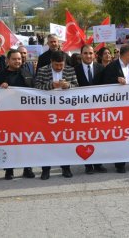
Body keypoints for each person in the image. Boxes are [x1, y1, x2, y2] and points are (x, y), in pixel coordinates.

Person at [0, 49, 37, 180]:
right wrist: (0, 90)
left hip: (25, 116)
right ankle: (9, 170)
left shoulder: (27, 74)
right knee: (9, 144)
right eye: (14, 59)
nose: (17, 61)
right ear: (7, 61)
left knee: (26, 143)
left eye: (19, 59)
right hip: (7, 117)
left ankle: (27, 168)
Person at [34, 50, 79, 179]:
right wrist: (50, 85)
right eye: (56, 65)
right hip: (47, 112)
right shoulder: (43, 70)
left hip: (65, 112)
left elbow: (77, 87)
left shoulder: (70, 70)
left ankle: (66, 168)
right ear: (51, 62)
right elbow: (36, 87)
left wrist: (68, 86)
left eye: (61, 65)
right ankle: (45, 169)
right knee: (47, 141)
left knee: (65, 140)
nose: (59, 67)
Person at [102, 44, 129, 173]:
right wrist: (115, 80)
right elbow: (103, 84)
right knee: (120, 136)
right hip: (117, 109)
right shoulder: (112, 67)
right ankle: (120, 164)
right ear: (126, 54)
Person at [74, 45, 108, 174]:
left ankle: (98, 164)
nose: (88, 56)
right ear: (81, 54)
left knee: (98, 137)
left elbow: (107, 86)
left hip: (98, 110)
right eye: (85, 53)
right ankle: (88, 165)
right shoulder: (75, 69)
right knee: (85, 138)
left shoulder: (101, 68)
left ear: (94, 55)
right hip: (81, 110)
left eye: (90, 53)